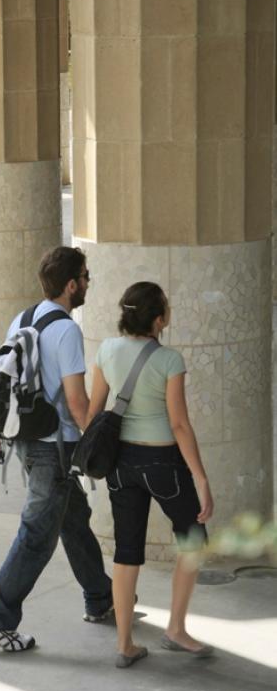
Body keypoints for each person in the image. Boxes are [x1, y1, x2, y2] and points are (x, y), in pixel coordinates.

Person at [0, 246, 113, 652]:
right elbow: (77, 403)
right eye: (85, 276)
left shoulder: (23, 317)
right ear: (71, 285)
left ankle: (100, 598)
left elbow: (5, 380)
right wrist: (103, 446)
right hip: (56, 449)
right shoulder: (67, 330)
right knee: (36, 536)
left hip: (27, 442)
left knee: (73, 518)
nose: (88, 283)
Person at [87, 281, 214, 668]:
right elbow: (179, 425)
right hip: (163, 464)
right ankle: (175, 628)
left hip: (121, 465)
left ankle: (125, 643)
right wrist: (201, 479)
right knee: (192, 538)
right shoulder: (169, 360)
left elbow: (94, 414)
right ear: (159, 320)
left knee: (127, 553)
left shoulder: (107, 350)